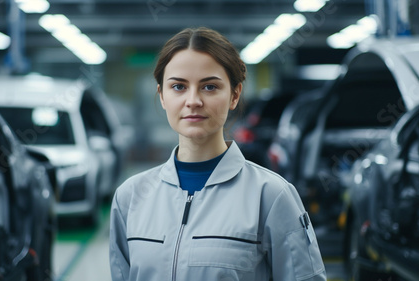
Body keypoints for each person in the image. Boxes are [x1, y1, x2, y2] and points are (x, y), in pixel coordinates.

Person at [109, 27, 326, 281]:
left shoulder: (271, 196)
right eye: (178, 86)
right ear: (162, 96)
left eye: (209, 87)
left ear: (234, 95)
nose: (193, 100)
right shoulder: (130, 198)